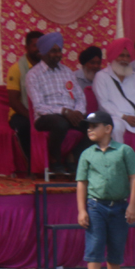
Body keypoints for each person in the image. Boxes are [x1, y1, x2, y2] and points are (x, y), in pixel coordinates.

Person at [76, 111, 135, 269]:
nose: (89, 130)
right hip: (95, 205)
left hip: (119, 206)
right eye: (88, 127)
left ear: (108, 128)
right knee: (95, 243)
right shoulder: (87, 154)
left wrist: (132, 205)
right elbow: (82, 183)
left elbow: (134, 178)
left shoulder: (124, 151)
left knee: (117, 244)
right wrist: (82, 210)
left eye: (94, 126)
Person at [26, 32, 91, 174]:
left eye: (59, 50)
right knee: (60, 123)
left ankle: (73, 156)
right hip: (46, 117)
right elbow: (39, 106)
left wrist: (78, 112)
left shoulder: (67, 72)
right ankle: (55, 160)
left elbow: (80, 97)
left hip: (71, 114)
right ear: (43, 53)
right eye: (53, 51)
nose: (58, 54)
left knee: (96, 124)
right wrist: (64, 112)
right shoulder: (33, 75)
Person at [93, 38, 135, 167]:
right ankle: (119, 166)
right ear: (113, 56)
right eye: (121, 55)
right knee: (116, 126)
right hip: (115, 117)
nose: (125, 59)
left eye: (127, 56)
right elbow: (104, 104)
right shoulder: (101, 76)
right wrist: (124, 117)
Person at [6, 30, 43, 161]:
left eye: (41, 45)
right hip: (22, 114)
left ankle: (53, 162)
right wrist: (32, 116)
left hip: (44, 111)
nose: (39, 49)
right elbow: (13, 101)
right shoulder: (17, 69)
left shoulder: (48, 68)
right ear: (26, 48)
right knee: (25, 126)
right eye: (35, 46)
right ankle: (32, 163)